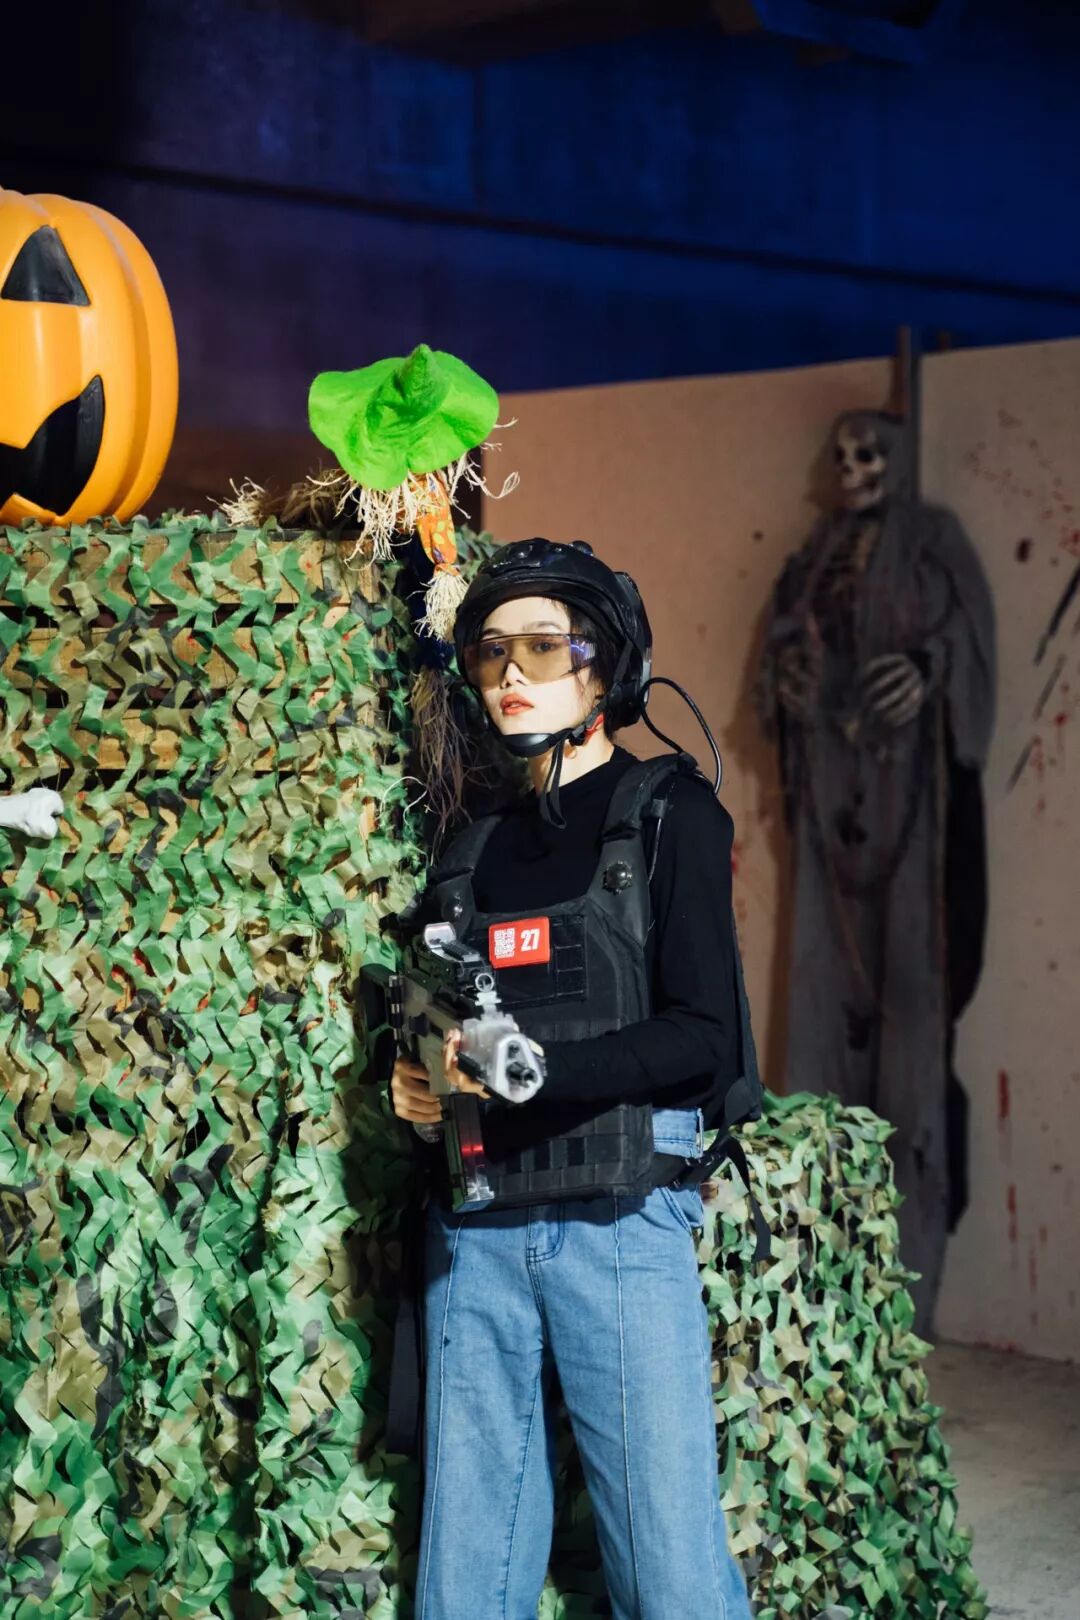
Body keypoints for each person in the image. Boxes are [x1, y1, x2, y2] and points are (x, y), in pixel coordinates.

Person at [389, 538, 756, 1620]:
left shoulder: (670, 813)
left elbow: (707, 1040)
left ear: (607, 670)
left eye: (545, 647)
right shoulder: (467, 854)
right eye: (493, 650)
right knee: (464, 1575)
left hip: (623, 1219)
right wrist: (420, 1093)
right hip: (479, 1232)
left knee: (670, 1569)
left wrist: (541, 1073)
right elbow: (444, 1027)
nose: (512, 671)